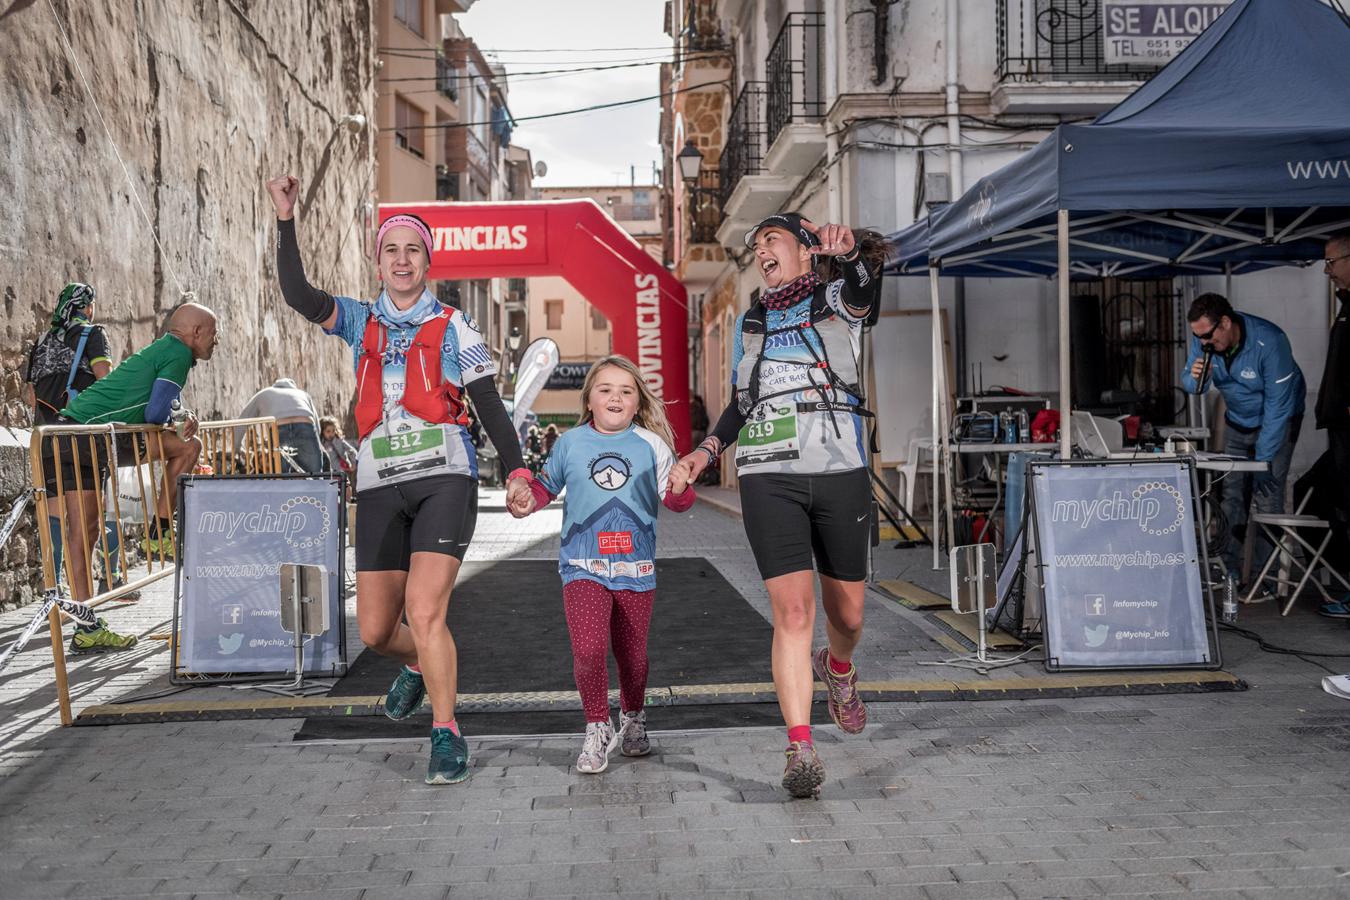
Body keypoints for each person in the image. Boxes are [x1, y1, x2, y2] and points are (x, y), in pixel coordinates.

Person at [266, 173, 531, 786]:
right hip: (381, 482)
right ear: (378, 261)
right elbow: (299, 294)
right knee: (381, 629)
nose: (402, 259)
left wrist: (518, 470)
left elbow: (489, 405)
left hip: (444, 477)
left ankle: (445, 733)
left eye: (414, 249)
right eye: (392, 250)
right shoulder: (359, 321)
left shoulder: (455, 326)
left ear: (428, 262)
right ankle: (418, 667)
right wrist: (286, 220)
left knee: (425, 608)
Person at [674, 212, 885, 799]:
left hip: (839, 471)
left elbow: (866, 291)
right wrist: (705, 452)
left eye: (772, 240)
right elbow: (743, 402)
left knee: (849, 617)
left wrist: (848, 257)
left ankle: (838, 668)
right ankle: (800, 745)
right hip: (768, 476)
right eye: (757, 244)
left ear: (805, 250)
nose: (761, 250)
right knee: (793, 614)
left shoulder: (836, 296)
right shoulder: (753, 322)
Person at [510, 355, 695, 773]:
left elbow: (677, 501)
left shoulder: (652, 446)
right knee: (589, 650)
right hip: (581, 565)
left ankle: (633, 717)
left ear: (637, 403)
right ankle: (597, 725)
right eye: (606, 390)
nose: (616, 397)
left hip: (635, 568)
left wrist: (682, 488)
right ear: (589, 399)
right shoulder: (571, 443)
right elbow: (544, 486)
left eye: (626, 391)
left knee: (633, 657)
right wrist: (526, 500)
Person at [39, 302, 216, 652]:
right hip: (84, 438)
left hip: (77, 434)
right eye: (213, 333)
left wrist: (181, 415)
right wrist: (179, 420)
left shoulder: (165, 348)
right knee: (187, 448)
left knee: (85, 532)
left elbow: (159, 407)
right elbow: (154, 411)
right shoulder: (178, 354)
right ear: (195, 332)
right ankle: (158, 534)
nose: (217, 340)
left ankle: (87, 624)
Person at [1180, 293, 1305, 579]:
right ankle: (1227, 568)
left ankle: (1267, 575)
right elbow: (1190, 382)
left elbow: (1278, 407)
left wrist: (1263, 459)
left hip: (1278, 421)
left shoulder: (1270, 341)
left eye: (1208, 335)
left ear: (1225, 323)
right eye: (1197, 337)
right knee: (1233, 495)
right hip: (1237, 420)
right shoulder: (1204, 339)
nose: (1202, 344)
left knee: (1268, 496)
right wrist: (1195, 378)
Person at [1306, 230, 1350, 617]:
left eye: (1332, 262)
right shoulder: (1345, 303)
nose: (1327, 271)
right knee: (1327, 496)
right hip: (1338, 426)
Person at [235, 378, 323, 474]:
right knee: (314, 475)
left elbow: (243, 420)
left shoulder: (265, 393)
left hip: (279, 428)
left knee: (281, 475)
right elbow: (316, 424)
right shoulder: (303, 394)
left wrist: (236, 448)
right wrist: (315, 444)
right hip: (305, 426)